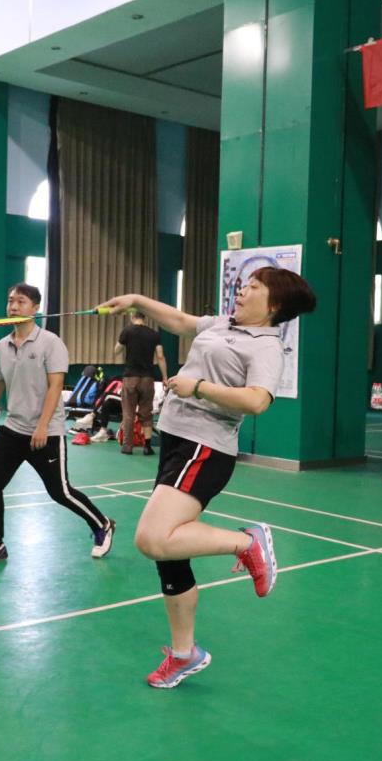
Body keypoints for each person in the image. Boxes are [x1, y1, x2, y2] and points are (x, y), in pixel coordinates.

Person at [99, 266, 317, 689]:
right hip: (176, 440)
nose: (243, 290)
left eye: (254, 287)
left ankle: (247, 542)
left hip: (204, 447)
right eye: (245, 283)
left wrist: (198, 386)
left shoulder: (267, 346)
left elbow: (258, 401)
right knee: (170, 555)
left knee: (151, 539)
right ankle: (184, 654)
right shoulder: (223, 323)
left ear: (273, 305)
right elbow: (181, 321)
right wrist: (136, 300)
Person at [0, 283, 115, 563]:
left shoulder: (51, 343)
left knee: (60, 492)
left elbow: (56, 386)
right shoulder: (2, 346)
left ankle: (102, 524)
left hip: (47, 432)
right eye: (10, 301)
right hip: (13, 429)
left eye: (20, 301)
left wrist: (43, 426)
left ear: (35, 308)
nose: (13, 306)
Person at [114, 312, 168, 456]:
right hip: (147, 378)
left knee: (128, 413)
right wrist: (165, 377)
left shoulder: (127, 331)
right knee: (146, 413)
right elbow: (160, 356)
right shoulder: (154, 334)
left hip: (130, 377)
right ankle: (147, 446)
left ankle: (127, 446)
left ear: (132, 316)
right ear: (144, 317)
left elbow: (116, 350)